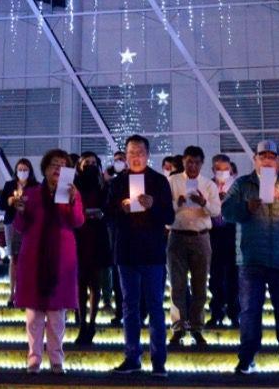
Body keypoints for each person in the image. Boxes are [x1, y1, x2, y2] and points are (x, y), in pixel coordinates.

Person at [223, 139, 279, 376]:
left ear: (278, 159)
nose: (267, 160)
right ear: (255, 159)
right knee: (250, 311)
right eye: (262, 156)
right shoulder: (243, 184)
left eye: (271, 156)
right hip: (251, 258)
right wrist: (246, 207)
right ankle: (247, 357)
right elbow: (226, 212)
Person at [106, 133, 174, 378]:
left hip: (153, 252)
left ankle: (159, 361)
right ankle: (132, 357)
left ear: (148, 154)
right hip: (126, 252)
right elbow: (108, 215)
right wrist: (120, 208)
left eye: (140, 152)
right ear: (125, 155)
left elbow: (170, 217)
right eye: (131, 153)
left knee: (155, 306)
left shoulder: (158, 181)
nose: (136, 157)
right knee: (129, 306)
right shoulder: (116, 183)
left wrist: (153, 205)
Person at [12, 148, 86, 372]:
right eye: (54, 164)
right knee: (34, 315)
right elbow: (20, 227)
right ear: (44, 169)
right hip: (34, 257)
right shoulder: (32, 193)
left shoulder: (72, 192)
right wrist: (21, 211)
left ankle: (56, 359)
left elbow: (78, 221)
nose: (58, 168)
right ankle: (34, 358)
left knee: (57, 316)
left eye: (63, 165)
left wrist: (72, 202)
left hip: (61, 259)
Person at [167, 145, 221, 350]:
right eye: (189, 161)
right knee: (177, 284)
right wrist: (177, 204)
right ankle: (179, 327)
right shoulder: (172, 181)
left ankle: (197, 327)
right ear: (183, 161)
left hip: (201, 236)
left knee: (200, 285)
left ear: (202, 163)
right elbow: (165, 209)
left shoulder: (208, 184)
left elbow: (216, 211)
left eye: (197, 162)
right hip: (177, 236)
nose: (193, 166)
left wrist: (203, 202)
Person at [74, 152, 111, 345]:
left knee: (95, 282)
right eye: (86, 162)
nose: (89, 165)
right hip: (79, 234)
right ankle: (82, 323)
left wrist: (101, 213)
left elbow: (109, 207)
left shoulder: (103, 185)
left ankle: (92, 322)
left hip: (97, 234)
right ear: (79, 165)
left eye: (93, 163)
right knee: (80, 283)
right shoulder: (73, 185)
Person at [206, 154, 239, 329]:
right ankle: (216, 311)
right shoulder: (207, 185)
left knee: (234, 277)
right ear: (213, 169)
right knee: (215, 276)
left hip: (233, 233)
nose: (223, 172)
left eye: (226, 169)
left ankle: (235, 313)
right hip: (214, 233)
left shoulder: (238, 186)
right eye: (219, 169)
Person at [0, 158, 38, 307]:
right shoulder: (9, 185)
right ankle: (12, 293)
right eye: (20, 169)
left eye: (25, 169)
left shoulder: (36, 186)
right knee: (14, 258)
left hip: (29, 224)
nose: (22, 172)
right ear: (16, 171)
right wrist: (10, 201)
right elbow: (2, 204)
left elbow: (39, 207)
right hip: (12, 223)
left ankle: (28, 292)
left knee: (29, 259)